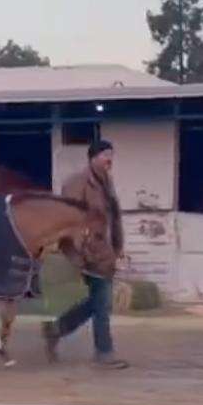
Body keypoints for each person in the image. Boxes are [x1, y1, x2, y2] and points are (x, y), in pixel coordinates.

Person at [43, 138, 128, 369]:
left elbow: (113, 219)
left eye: (111, 155)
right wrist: (76, 253)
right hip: (88, 252)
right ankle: (104, 352)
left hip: (105, 252)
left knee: (98, 303)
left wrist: (118, 248)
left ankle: (55, 329)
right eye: (105, 155)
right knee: (102, 303)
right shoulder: (77, 183)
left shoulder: (106, 184)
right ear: (93, 158)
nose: (109, 159)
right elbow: (67, 219)